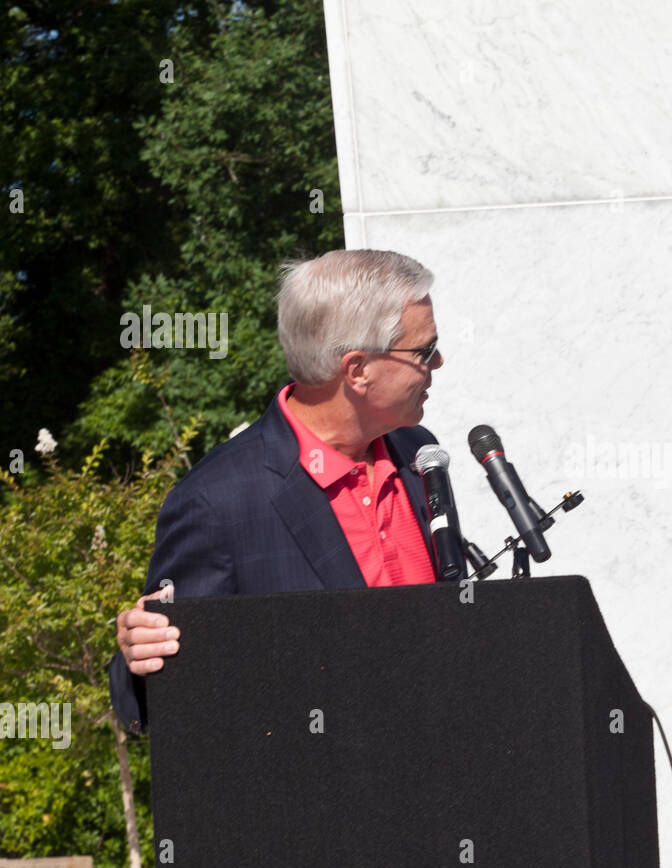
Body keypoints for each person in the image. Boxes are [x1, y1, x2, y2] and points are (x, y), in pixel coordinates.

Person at [109, 250, 446, 734]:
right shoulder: (218, 501)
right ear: (357, 370)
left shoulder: (418, 452)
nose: (438, 362)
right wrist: (137, 655)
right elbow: (166, 683)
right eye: (423, 351)